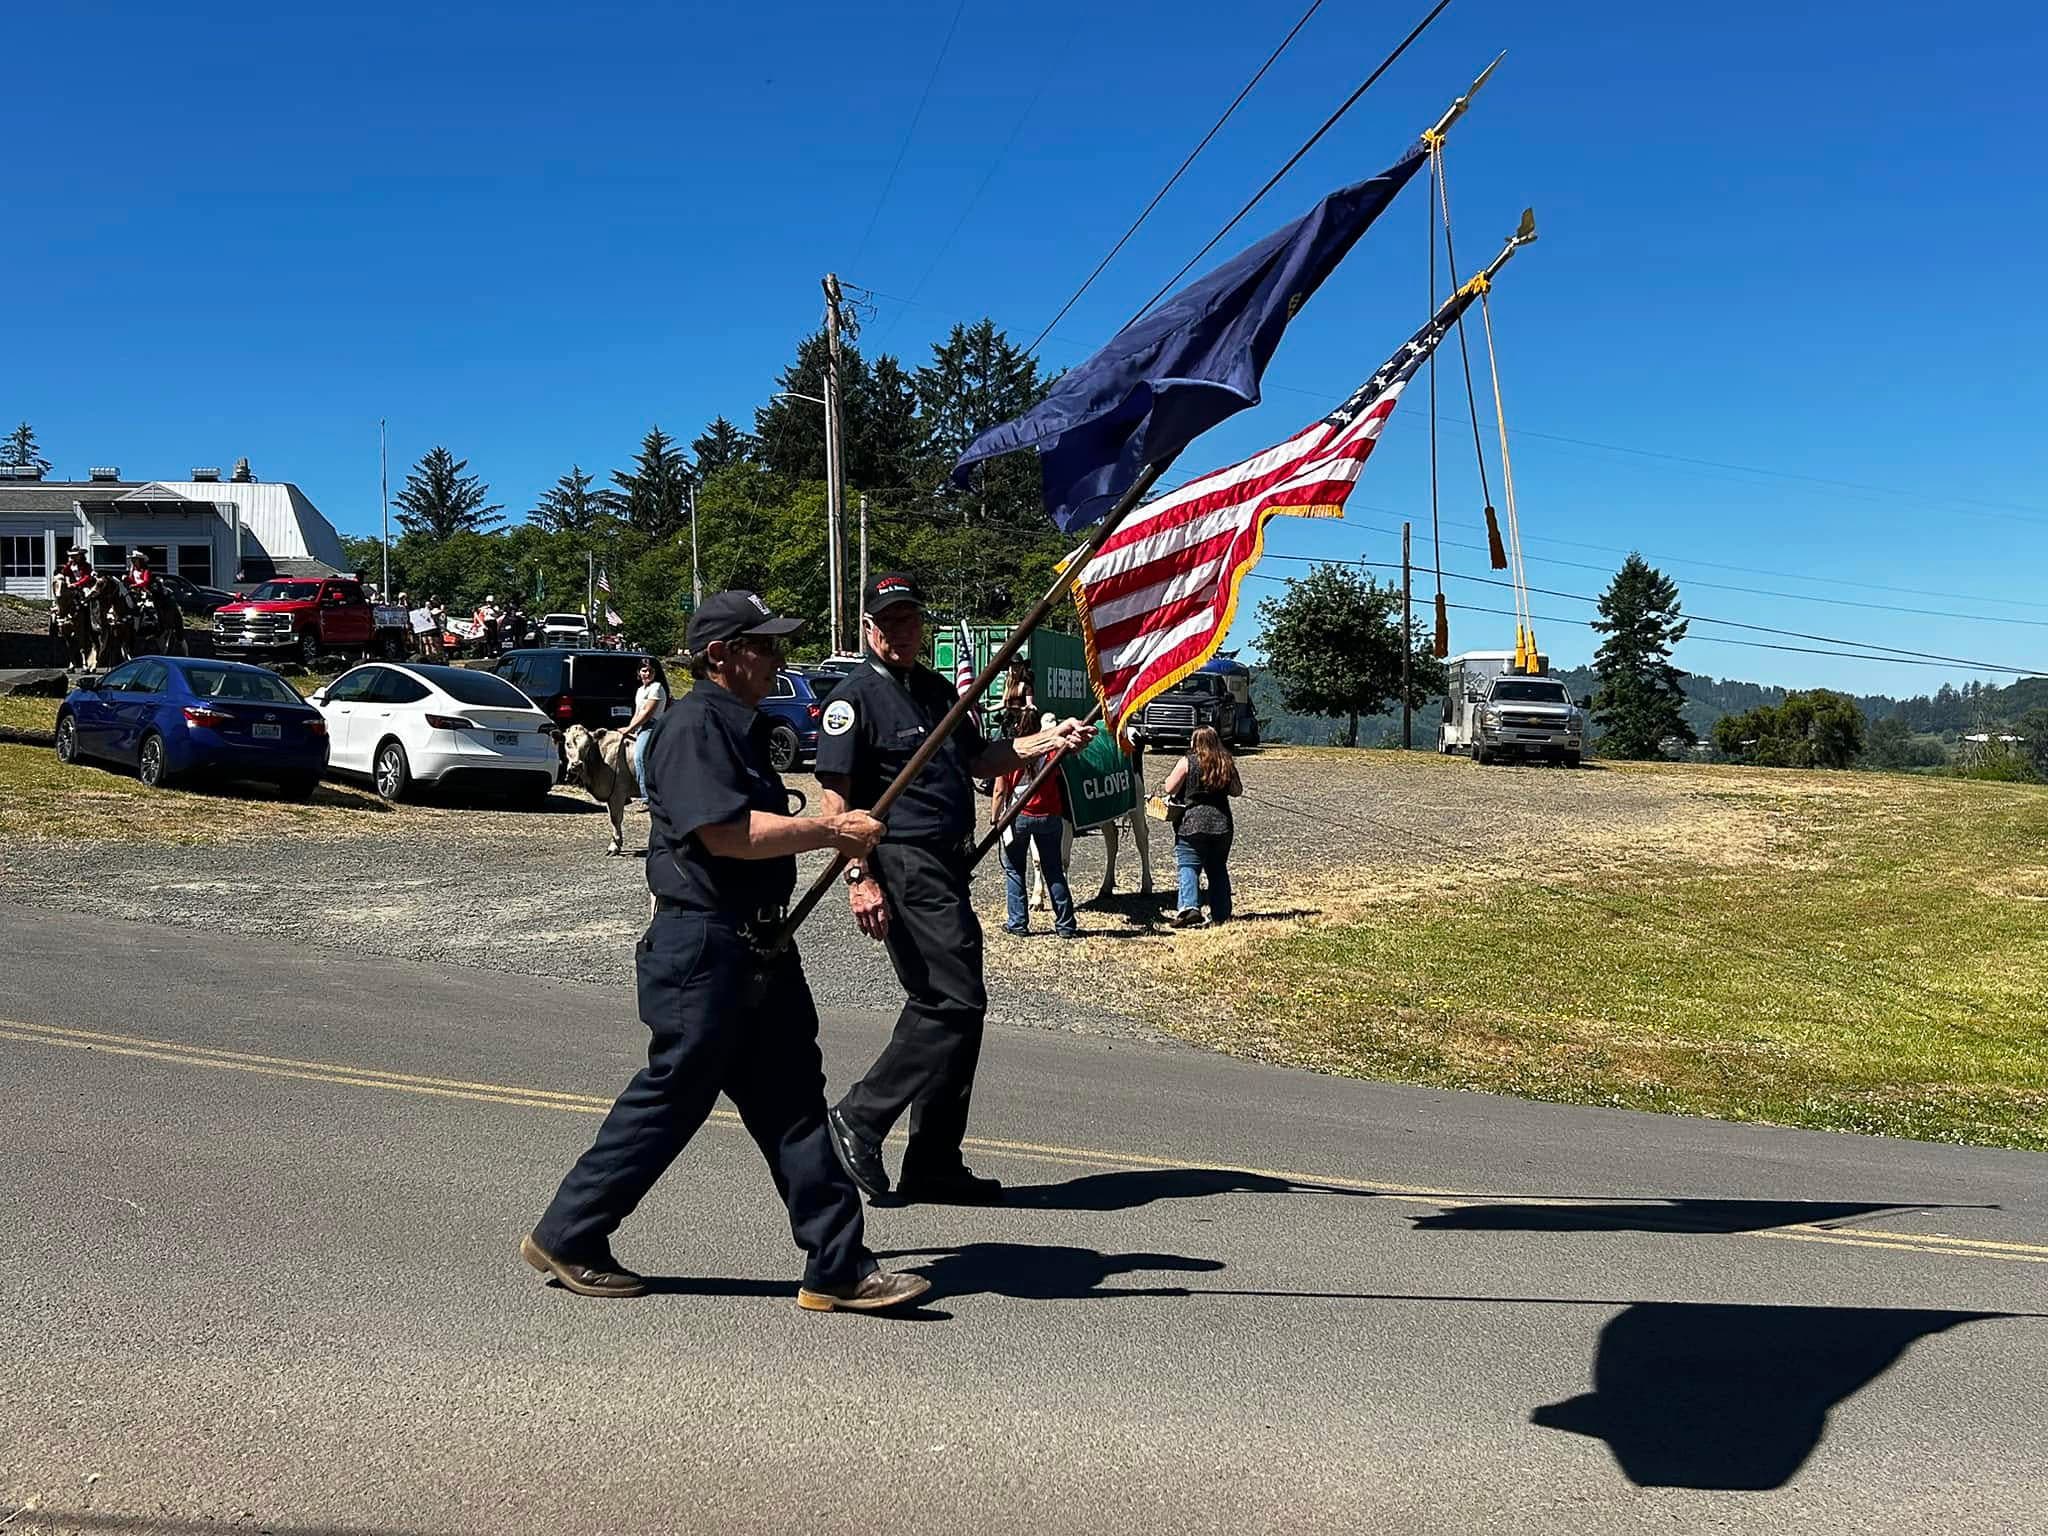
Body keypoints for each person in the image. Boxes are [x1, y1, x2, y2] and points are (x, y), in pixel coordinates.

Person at [522, 590, 929, 1313]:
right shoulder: (693, 727)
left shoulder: (741, 727)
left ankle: (838, 1267)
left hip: (759, 945)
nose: (778, 656)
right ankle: (570, 1232)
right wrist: (831, 835)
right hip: (704, 944)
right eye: (764, 645)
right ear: (720, 655)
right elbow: (725, 834)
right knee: (674, 1098)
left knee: (795, 1104)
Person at [816, 573, 1095, 1205]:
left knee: (947, 1008)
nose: (902, 632)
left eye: (911, 620)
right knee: (959, 1002)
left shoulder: (936, 689)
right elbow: (838, 800)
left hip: (948, 862)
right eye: (888, 623)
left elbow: (978, 759)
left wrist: (1051, 739)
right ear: (867, 629)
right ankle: (860, 1115)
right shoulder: (853, 698)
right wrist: (858, 878)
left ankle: (934, 1160)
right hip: (903, 862)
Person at [992, 711, 1079, 939]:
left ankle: (1018, 922)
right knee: (1054, 870)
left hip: (1018, 816)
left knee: (1014, 870)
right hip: (1049, 814)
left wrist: (994, 819)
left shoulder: (1013, 752)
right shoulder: (1051, 751)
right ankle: (1066, 923)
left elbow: (1000, 790)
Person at [1160, 725, 1242, 927]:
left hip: (1191, 823)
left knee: (1188, 865)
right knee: (1217, 869)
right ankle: (1221, 913)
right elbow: (1237, 791)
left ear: (1195, 742)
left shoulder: (1187, 762)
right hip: (1221, 824)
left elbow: (1169, 787)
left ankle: (1189, 908)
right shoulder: (1226, 762)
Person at [623, 657, 669, 799]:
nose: (647, 673)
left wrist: (629, 728)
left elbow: (647, 713)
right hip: (641, 727)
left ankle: (646, 797)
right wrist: (630, 728)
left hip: (652, 726)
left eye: (650, 671)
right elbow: (637, 712)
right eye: (644, 670)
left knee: (639, 758)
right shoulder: (640, 690)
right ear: (639, 672)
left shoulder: (657, 688)